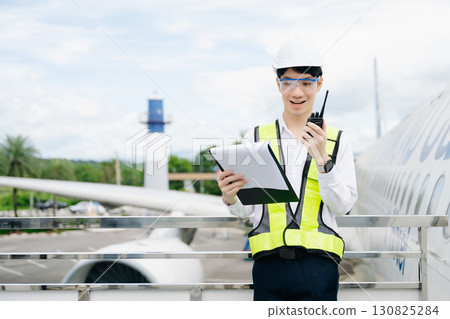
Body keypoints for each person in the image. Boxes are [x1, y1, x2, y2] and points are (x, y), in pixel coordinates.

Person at [216, 37, 358, 301]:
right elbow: (247, 210)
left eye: (306, 83)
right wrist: (231, 196)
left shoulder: (338, 141)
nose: (296, 93)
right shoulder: (255, 137)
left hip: (320, 266)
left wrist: (323, 160)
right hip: (268, 267)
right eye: (288, 82)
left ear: (320, 84)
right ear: (278, 84)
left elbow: (342, 206)